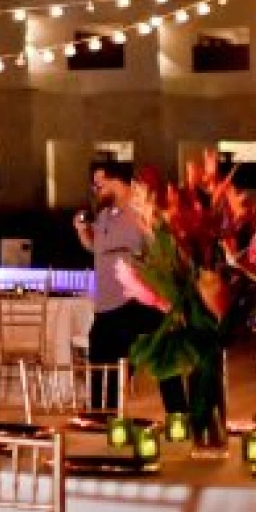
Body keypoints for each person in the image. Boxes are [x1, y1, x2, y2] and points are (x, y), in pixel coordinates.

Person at [76, 160, 185, 412]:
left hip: (136, 302)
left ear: (117, 181)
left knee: (160, 359)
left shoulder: (142, 212)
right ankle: (103, 416)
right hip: (105, 304)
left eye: (99, 185)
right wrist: (83, 233)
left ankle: (179, 416)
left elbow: (162, 252)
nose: (96, 190)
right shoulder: (104, 214)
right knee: (104, 367)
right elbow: (100, 249)